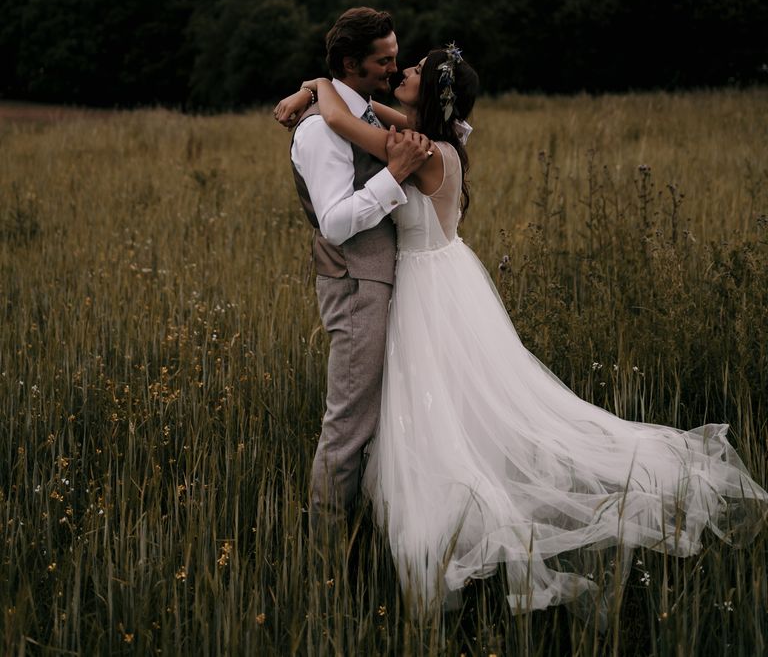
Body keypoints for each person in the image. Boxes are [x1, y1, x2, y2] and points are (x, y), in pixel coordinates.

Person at [275, 44, 768, 617]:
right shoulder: (440, 139)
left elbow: (340, 118)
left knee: (430, 416)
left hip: (422, 286)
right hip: (449, 276)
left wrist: (314, 85)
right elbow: (367, 111)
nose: (400, 72)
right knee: (455, 409)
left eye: (410, 72)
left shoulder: (414, 148)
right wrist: (315, 88)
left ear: (429, 93)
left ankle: (442, 542)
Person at [280, 7, 433, 535]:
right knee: (348, 425)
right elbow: (337, 222)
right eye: (383, 61)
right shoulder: (321, 130)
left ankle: (369, 532)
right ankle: (325, 562)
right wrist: (394, 175)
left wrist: (314, 83)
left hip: (381, 282)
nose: (394, 69)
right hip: (355, 285)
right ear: (351, 63)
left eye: (396, 59)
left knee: (378, 418)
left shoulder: (362, 111)